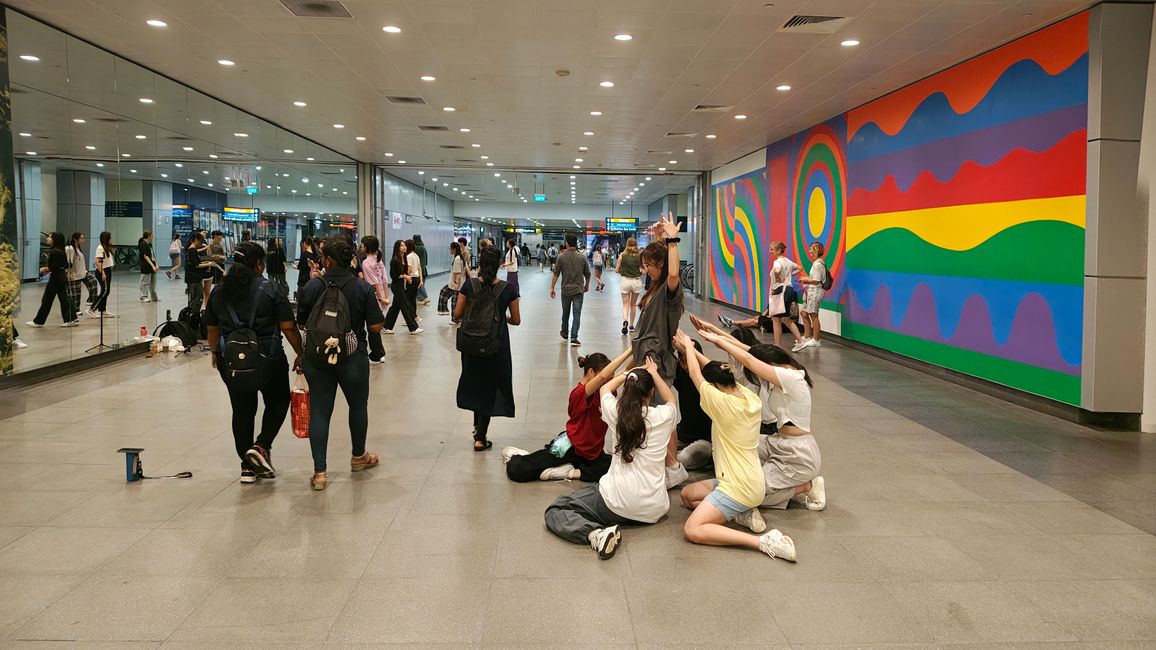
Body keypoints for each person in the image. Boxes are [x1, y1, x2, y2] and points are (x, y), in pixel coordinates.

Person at [671, 330, 797, 562]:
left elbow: (698, 378)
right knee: (688, 496)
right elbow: (711, 370)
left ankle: (763, 541)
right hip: (745, 479)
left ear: (715, 387)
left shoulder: (721, 404)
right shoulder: (748, 397)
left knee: (693, 529)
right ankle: (740, 513)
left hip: (738, 487)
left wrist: (689, 347)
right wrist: (689, 349)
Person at [543, 356, 678, 560]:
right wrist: (653, 372)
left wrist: (627, 375)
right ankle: (572, 473)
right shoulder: (664, 416)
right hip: (655, 509)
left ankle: (595, 534)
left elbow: (604, 389)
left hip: (615, 501)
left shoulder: (617, 412)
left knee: (556, 509)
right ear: (651, 392)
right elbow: (671, 400)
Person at [695, 326, 826, 512]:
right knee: (738, 441)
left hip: (799, 454)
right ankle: (738, 485)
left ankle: (806, 487)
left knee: (750, 491)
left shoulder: (791, 378)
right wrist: (715, 333)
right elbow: (746, 350)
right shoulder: (783, 372)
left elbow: (749, 359)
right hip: (779, 442)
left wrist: (718, 340)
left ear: (771, 363)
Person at [205, 241, 304, 484]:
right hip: (268, 360)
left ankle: (247, 467)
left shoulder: (218, 291)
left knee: (242, 410)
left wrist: (215, 353)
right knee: (278, 402)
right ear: (259, 264)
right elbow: (288, 327)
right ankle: (261, 446)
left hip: (233, 362)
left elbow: (212, 330)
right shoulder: (270, 288)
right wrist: (301, 353)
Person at [297, 237, 386, 491]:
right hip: (352, 356)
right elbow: (376, 325)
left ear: (328, 260)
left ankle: (320, 472)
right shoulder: (361, 287)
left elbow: (302, 322)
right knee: (358, 406)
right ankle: (359, 457)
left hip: (317, 356)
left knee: (321, 411)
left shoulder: (314, 286)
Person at [502, 348, 633, 483]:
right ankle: (516, 456)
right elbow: (602, 377)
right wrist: (630, 350)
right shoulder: (580, 392)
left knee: (615, 467)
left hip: (591, 452)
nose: (608, 379)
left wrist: (641, 347)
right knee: (520, 471)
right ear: (591, 372)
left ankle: (570, 472)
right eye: (605, 376)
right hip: (569, 443)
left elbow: (626, 371)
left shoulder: (603, 389)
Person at [455, 245, 521, 451]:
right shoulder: (507, 289)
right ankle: (480, 438)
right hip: (496, 344)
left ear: (481, 263)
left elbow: (457, 314)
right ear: (499, 264)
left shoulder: (470, 285)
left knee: (475, 382)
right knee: (490, 386)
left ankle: (477, 428)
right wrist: (500, 317)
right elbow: (516, 320)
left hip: (471, 344)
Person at [718, 241, 805, 349]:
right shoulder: (788, 261)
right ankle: (800, 341)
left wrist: (778, 277)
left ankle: (778, 346)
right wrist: (789, 276)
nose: (770, 251)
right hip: (789, 290)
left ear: (778, 250)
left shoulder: (777, 262)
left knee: (776, 320)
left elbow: (777, 270)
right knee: (786, 319)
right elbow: (800, 268)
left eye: (772, 249)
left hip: (779, 291)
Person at [25, 232, 73, 328]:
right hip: (62, 276)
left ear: (54, 239)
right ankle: (70, 319)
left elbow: (54, 266)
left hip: (56, 277)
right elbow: (66, 265)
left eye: (50, 237)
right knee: (64, 298)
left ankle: (38, 321)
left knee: (47, 299)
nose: (47, 238)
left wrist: (46, 269)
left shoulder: (55, 252)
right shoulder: (61, 250)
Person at [549, 234, 590, 347]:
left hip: (565, 290)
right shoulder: (582, 257)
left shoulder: (561, 257)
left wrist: (552, 287)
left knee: (565, 313)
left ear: (567, 243)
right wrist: (587, 285)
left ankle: (564, 331)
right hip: (578, 291)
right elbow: (588, 273)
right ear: (576, 243)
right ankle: (574, 337)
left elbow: (556, 274)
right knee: (577, 314)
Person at [359, 235, 389, 364]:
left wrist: (381, 299)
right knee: (375, 326)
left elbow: (374, 282)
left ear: (366, 247)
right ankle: (379, 353)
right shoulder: (378, 260)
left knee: (372, 327)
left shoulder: (366, 263)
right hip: (381, 295)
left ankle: (377, 354)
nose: (361, 247)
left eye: (362, 245)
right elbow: (384, 280)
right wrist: (386, 297)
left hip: (374, 296)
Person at [794, 242, 827, 352]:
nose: (809, 251)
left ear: (816, 250)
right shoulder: (816, 263)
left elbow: (816, 280)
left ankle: (816, 339)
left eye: (811, 249)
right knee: (803, 312)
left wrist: (805, 280)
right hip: (811, 291)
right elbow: (813, 278)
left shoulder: (818, 264)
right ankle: (807, 336)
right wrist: (806, 278)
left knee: (814, 315)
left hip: (815, 291)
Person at [383, 239, 422, 334]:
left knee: (395, 307)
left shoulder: (403, 258)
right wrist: (405, 276)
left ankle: (386, 326)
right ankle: (413, 328)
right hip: (396, 286)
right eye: (401, 246)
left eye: (404, 245)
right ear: (397, 248)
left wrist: (406, 278)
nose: (404, 247)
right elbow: (394, 275)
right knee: (404, 306)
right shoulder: (395, 260)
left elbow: (404, 272)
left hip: (400, 285)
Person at [65, 232, 98, 320]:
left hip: (83, 272)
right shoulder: (70, 248)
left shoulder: (78, 248)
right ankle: (75, 309)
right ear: (75, 239)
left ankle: (90, 300)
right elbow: (68, 262)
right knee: (76, 293)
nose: (83, 240)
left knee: (93, 282)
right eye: (81, 238)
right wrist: (69, 273)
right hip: (74, 273)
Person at [615, 237, 642, 335]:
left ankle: (625, 320)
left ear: (627, 244)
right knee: (633, 305)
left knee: (625, 304)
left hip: (625, 281)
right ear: (636, 245)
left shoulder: (622, 255)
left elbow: (616, 270)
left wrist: (624, 272)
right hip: (636, 281)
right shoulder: (639, 256)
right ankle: (631, 325)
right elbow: (643, 271)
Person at [91, 231, 117, 318]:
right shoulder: (100, 248)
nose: (111, 239)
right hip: (103, 271)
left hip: (108, 270)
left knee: (107, 291)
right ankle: (92, 309)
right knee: (104, 291)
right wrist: (103, 273)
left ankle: (103, 310)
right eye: (110, 238)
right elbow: (97, 261)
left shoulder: (106, 248)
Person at [184, 231, 213, 311]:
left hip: (194, 278)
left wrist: (206, 262)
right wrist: (208, 264)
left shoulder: (192, 250)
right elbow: (196, 265)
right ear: (196, 240)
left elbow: (196, 262)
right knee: (196, 299)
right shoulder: (192, 250)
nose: (201, 243)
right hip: (194, 279)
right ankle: (193, 316)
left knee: (196, 298)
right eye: (200, 240)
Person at [439, 241, 466, 317]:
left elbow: (458, 273)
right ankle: (446, 312)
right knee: (444, 293)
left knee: (455, 301)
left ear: (454, 249)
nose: (449, 249)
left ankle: (455, 318)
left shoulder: (457, 259)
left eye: (450, 248)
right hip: (455, 284)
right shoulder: (459, 257)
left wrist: (456, 284)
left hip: (456, 284)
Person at [205, 230, 227, 308]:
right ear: (215, 236)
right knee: (216, 282)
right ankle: (215, 298)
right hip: (215, 265)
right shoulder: (211, 244)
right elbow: (209, 255)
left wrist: (224, 257)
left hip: (222, 264)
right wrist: (220, 257)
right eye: (220, 235)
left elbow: (224, 253)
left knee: (221, 282)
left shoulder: (221, 243)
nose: (221, 237)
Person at [137, 230, 160, 303]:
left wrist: (156, 264)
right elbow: (145, 256)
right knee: (145, 282)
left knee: (153, 283)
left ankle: (154, 297)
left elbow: (152, 255)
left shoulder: (149, 244)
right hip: (146, 266)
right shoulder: (143, 244)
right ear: (148, 235)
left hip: (152, 265)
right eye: (152, 235)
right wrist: (152, 265)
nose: (153, 236)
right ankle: (144, 296)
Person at [405, 238, 424, 318]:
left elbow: (409, 270)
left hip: (411, 279)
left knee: (407, 299)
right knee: (412, 299)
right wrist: (421, 280)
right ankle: (414, 317)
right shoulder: (416, 256)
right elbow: (419, 269)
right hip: (416, 278)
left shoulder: (409, 256)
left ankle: (412, 316)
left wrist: (405, 280)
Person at [413, 234, 430, 305]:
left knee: (419, 284)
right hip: (424, 269)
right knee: (421, 284)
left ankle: (424, 297)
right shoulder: (423, 247)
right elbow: (426, 259)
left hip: (418, 269)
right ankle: (420, 297)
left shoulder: (415, 248)